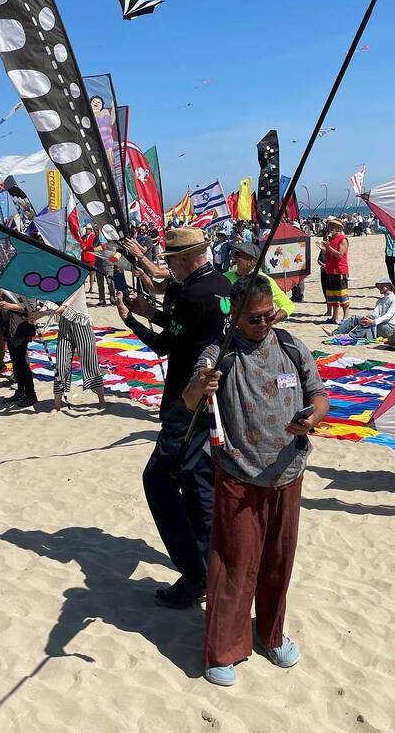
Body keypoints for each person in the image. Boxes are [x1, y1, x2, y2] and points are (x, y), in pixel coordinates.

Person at [182, 275, 329, 686]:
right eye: (253, 319)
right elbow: (190, 398)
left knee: (278, 562)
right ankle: (223, 649)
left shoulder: (290, 345)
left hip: (288, 473)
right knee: (233, 566)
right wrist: (200, 385)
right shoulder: (220, 352)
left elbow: (318, 393)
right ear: (235, 317)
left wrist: (313, 416)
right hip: (239, 477)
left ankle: (271, 633)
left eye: (267, 316)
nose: (262, 325)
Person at [115, 227, 231, 608]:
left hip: (189, 402)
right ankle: (212, 566)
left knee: (160, 482)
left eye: (171, 261)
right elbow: (189, 332)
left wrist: (132, 320)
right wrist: (154, 312)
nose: (170, 269)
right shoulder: (221, 285)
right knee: (199, 485)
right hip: (216, 400)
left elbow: (167, 345)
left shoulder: (194, 293)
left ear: (183, 260)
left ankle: (197, 572)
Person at [33, 285, 105, 410]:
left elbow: (64, 305)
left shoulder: (78, 280)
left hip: (81, 324)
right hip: (65, 326)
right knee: (61, 366)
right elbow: (51, 301)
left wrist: (41, 314)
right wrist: (40, 311)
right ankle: (56, 406)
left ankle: (101, 400)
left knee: (90, 363)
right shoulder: (58, 282)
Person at [224, 241, 294, 322]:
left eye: (237, 254)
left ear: (252, 261)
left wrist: (269, 322)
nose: (233, 258)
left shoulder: (264, 281)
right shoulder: (224, 277)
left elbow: (288, 306)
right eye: (232, 254)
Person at [0, 289, 38, 409]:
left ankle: (30, 394)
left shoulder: (26, 284)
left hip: (20, 328)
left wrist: (9, 306)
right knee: (16, 362)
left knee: (21, 362)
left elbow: (31, 308)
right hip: (9, 327)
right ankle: (20, 391)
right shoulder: (10, 284)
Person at [330, 278, 395, 339]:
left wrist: (372, 322)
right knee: (356, 318)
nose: (379, 288)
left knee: (368, 324)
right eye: (379, 286)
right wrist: (367, 318)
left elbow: (388, 316)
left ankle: (351, 336)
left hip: (390, 328)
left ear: (389, 286)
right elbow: (375, 313)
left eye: (381, 286)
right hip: (380, 323)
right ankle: (334, 333)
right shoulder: (380, 300)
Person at [321, 217, 349, 324]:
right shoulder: (331, 239)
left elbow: (340, 255)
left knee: (342, 295)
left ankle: (345, 317)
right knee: (332, 296)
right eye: (330, 225)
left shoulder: (343, 239)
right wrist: (324, 249)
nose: (330, 228)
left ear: (339, 228)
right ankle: (334, 317)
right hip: (330, 270)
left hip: (340, 271)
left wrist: (329, 248)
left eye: (333, 226)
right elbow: (328, 255)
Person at [74, 224, 98, 295]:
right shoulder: (83, 237)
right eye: (86, 229)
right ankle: (83, 287)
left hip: (91, 257)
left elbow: (96, 247)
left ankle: (91, 287)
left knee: (92, 273)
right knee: (83, 273)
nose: (87, 230)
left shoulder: (94, 237)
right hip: (84, 257)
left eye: (88, 229)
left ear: (90, 230)